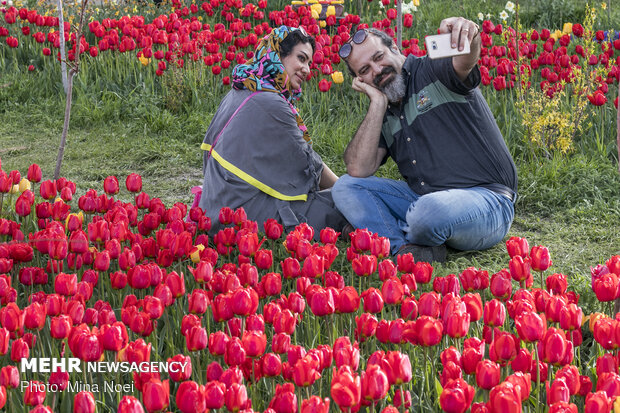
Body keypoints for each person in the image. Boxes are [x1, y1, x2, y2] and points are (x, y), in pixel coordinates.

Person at [332, 17, 517, 262]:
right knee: (345, 187)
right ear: (360, 81)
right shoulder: (384, 113)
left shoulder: (432, 70)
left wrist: (468, 35)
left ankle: (386, 231)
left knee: (425, 214)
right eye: (364, 70)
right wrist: (377, 103)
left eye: (378, 57)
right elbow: (358, 168)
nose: (376, 71)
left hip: (486, 200)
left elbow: (464, 60)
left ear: (395, 48)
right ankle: (405, 249)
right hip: (424, 199)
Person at [199, 26, 349, 237]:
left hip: (213, 206)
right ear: (278, 55)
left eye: (309, 63)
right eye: (301, 58)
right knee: (337, 205)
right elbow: (308, 165)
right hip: (238, 217)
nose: (306, 69)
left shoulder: (243, 88)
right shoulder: (271, 103)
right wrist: (346, 191)